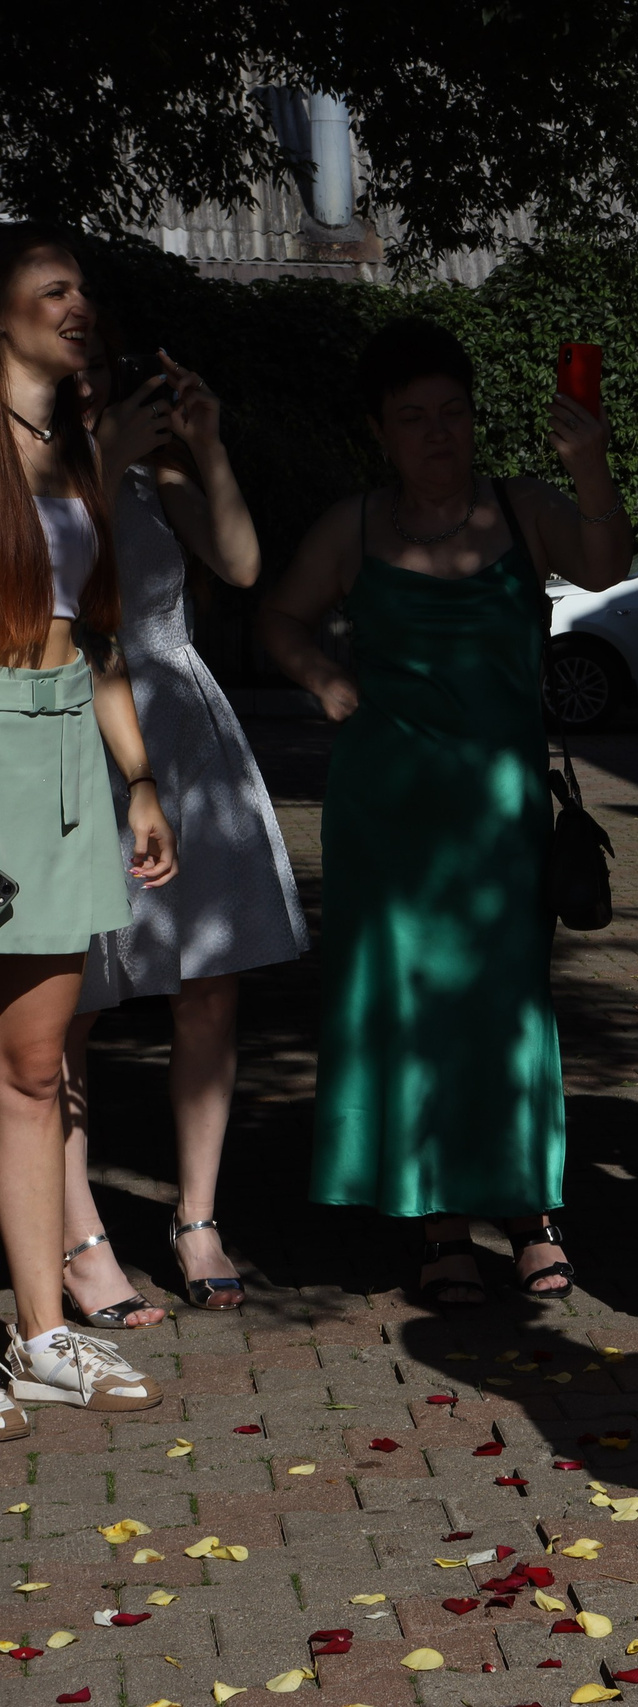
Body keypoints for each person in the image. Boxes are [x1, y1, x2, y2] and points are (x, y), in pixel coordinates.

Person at [258, 318, 633, 1307]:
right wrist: (327, 684)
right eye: (414, 418)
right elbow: (277, 616)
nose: (438, 434)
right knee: (415, 1007)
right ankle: (438, 1223)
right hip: (388, 809)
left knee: (507, 1007)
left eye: (453, 414)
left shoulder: (523, 506)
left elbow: (603, 565)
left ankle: (530, 1212)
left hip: (499, 810)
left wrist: (590, 465)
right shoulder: (354, 525)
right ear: (381, 430)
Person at [60, 336, 305, 1329]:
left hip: (187, 732)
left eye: (99, 360)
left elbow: (240, 564)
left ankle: (196, 1220)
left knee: (210, 985)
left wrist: (205, 448)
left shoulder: (153, 466)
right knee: (66, 1000)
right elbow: (66, 593)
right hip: (75, 728)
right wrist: (98, 460)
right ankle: (78, 1237)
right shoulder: (33, 469)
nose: (91, 377)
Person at [0, 223, 169, 1413]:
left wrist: (142, 781)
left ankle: (42, 1331)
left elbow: (98, 641)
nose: (80, 305)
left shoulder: (71, 455)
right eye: (52, 289)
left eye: (83, 290)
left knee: (34, 1069)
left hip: (64, 752)